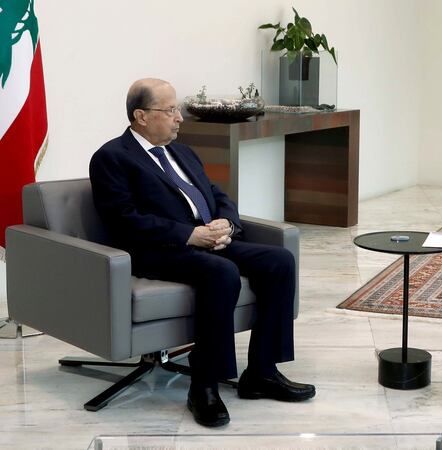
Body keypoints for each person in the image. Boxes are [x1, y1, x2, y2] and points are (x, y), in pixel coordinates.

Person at [89, 78, 315, 428]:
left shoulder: (182, 152)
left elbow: (216, 193)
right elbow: (124, 220)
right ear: (141, 116)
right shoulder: (112, 158)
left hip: (207, 241)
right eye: (170, 110)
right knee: (221, 273)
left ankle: (262, 373)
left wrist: (227, 224)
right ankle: (204, 384)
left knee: (279, 261)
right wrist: (189, 235)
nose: (179, 117)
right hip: (157, 251)